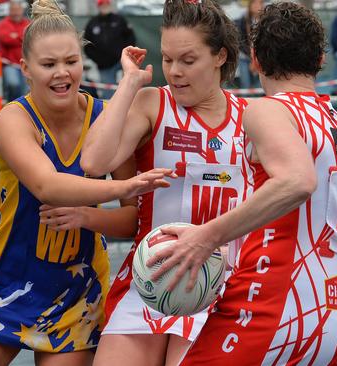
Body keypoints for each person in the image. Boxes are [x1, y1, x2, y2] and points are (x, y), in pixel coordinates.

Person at [0, 0, 173, 364]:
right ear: (26, 69)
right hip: (2, 281)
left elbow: (135, 220)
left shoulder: (105, 119)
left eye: (71, 62)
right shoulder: (13, 120)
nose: (62, 73)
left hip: (75, 293)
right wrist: (124, 187)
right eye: (48, 64)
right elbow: (48, 186)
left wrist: (89, 217)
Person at [148, 2, 337, 364]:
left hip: (279, 302)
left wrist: (206, 237)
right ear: (320, 60)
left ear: (255, 59)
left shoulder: (269, 110)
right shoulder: (336, 123)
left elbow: (298, 181)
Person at [80, 0, 248, 364]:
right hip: (148, 281)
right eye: (168, 59)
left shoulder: (251, 119)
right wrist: (130, 82)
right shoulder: (152, 103)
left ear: (219, 57)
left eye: (188, 61)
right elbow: (93, 162)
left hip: (219, 289)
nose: (174, 71)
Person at [83, 0, 135, 99]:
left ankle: (131, 108)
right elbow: (87, 45)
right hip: (104, 66)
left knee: (129, 88)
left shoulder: (119, 20)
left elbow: (130, 38)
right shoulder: (92, 23)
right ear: (98, 6)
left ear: (109, 5)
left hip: (122, 62)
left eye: (106, 4)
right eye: (102, 4)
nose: (104, 6)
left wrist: (126, 55)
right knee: (108, 94)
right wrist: (98, 60)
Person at [0, 0, 30, 102]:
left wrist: (15, 36)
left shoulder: (27, 23)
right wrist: (21, 37)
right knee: (13, 84)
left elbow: (30, 39)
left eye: (17, 10)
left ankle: (23, 112)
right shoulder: (3, 23)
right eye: (13, 10)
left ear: (22, 10)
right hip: (9, 63)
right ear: (9, 11)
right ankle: (11, 107)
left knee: (26, 91)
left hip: (26, 63)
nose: (15, 13)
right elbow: (4, 39)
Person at [235, 0, 263, 91]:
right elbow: (240, 41)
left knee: (259, 86)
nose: (257, 6)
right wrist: (252, 58)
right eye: (255, 3)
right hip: (245, 58)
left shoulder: (265, 22)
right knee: (245, 85)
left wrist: (256, 59)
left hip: (260, 58)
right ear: (250, 5)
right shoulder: (243, 21)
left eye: (260, 3)